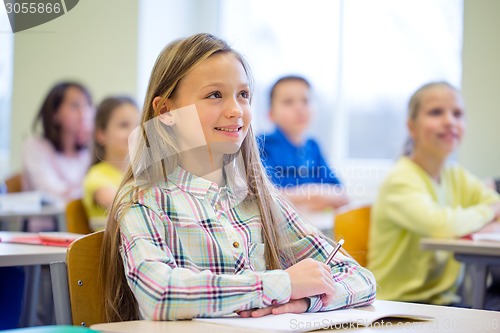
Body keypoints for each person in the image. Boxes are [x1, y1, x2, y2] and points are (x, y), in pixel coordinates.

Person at [100, 33, 376, 322]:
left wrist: (306, 301)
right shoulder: (143, 198)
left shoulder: (258, 198)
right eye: (214, 95)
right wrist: (283, 284)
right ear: (167, 112)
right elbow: (161, 293)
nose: (236, 110)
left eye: (243, 95)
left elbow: (361, 279)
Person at [367, 81, 500, 306]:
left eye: (457, 114)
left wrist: (474, 218)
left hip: (443, 300)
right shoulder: (400, 179)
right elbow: (440, 226)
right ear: (412, 127)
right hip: (398, 305)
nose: (450, 121)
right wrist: (485, 213)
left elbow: (495, 204)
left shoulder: (455, 175)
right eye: (436, 112)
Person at [258, 76, 348, 212]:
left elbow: (341, 195)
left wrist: (299, 199)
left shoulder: (313, 146)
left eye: (305, 101)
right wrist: (317, 193)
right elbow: (267, 197)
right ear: (271, 114)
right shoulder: (262, 145)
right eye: (288, 102)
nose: (299, 108)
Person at [23, 81, 94, 232]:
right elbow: (49, 191)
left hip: (81, 230)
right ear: (55, 113)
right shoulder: (35, 146)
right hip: (44, 232)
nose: (84, 114)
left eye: (87, 105)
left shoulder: (89, 152)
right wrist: (88, 191)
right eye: (75, 106)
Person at [83, 96, 139, 231]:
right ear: (101, 133)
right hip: (113, 249)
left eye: (138, 125)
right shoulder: (96, 175)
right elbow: (122, 205)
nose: (134, 132)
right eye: (124, 125)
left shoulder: (139, 173)